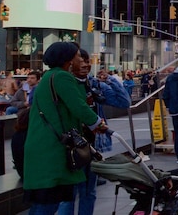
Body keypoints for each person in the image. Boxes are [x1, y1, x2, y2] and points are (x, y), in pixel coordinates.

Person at [24, 42, 108, 215]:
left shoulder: (49, 77)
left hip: (42, 144)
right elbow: (78, 105)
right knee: (48, 200)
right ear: (68, 60)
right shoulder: (62, 77)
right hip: (53, 147)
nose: (81, 61)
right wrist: (97, 123)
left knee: (44, 200)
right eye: (78, 57)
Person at [58, 52, 130, 215]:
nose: (85, 65)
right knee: (69, 195)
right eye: (80, 62)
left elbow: (124, 102)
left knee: (88, 192)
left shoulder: (93, 84)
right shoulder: (64, 85)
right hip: (69, 146)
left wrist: (110, 79)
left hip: (91, 147)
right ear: (71, 64)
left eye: (87, 62)